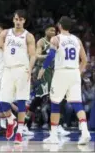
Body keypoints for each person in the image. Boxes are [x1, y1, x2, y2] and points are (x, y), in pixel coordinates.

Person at [0, 10, 36, 144]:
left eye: (20, 19)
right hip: (8, 70)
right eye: (16, 19)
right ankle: (11, 120)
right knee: (3, 101)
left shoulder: (28, 36)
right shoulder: (5, 33)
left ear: (24, 21)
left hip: (22, 70)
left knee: (21, 101)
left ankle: (20, 132)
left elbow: (33, 55)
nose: (18, 21)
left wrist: (30, 69)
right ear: (13, 20)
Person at [38, 16, 91, 145]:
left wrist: (43, 69)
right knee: (77, 103)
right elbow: (84, 60)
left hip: (61, 72)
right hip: (74, 72)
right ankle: (85, 132)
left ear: (59, 26)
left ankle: (54, 136)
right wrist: (78, 72)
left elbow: (51, 55)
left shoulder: (56, 38)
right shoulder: (77, 40)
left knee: (55, 103)